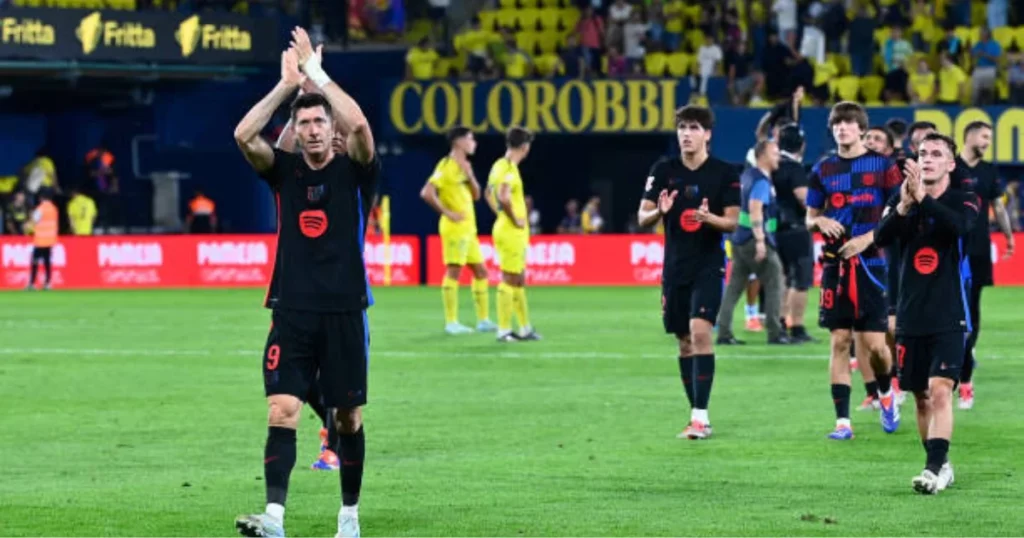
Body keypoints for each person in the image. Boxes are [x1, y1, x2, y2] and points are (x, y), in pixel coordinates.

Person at [232, 28, 379, 538]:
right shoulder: (286, 172)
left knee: (348, 420)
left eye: (321, 121)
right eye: (306, 122)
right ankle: (274, 517)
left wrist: (317, 77)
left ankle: (349, 517)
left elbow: (358, 123)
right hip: (291, 310)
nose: (315, 130)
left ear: (330, 127)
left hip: (344, 311)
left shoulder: (356, 172)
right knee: (283, 408)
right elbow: (243, 136)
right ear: (294, 129)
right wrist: (286, 87)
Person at [873, 133, 976, 494]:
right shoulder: (900, 199)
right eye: (922, 153)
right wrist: (903, 206)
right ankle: (941, 464)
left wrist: (922, 199)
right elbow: (881, 238)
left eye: (936, 154)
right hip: (909, 315)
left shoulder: (965, 199)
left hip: (950, 313)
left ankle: (932, 469)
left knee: (940, 390)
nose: (927, 159)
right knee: (920, 397)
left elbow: (959, 228)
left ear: (950, 163)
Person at [637, 105, 740, 440]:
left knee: (700, 332)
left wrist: (710, 219)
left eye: (694, 127)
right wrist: (659, 213)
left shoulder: (724, 173)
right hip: (674, 269)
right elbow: (642, 217)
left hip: (708, 265)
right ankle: (695, 413)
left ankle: (701, 417)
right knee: (683, 343)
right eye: (682, 127)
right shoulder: (662, 169)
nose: (686, 133)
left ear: (707, 134)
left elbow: (732, 221)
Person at [806, 102, 902, 440]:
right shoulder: (823, 169)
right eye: (837, 124)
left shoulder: (883, 166)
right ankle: (842, 422)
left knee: (875, 345)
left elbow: (900, 212)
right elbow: (809, 216)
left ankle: (887, 394)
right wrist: (818, 219)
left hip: (873, 264)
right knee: (839, 340)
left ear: (861, 129)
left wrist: (869, 238)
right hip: (835, 265)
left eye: (848, 123)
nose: (842, 129)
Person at [950, 121, 1015, 410]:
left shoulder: (988, 171)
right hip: (950, 248)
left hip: (977, 250)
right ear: (970, 135)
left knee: (972, 312)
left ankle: (965, 371)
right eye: (985, 136)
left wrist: (1009, 236)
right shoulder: (950, 166)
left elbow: (997, 206)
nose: (988, 141)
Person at [420, 127, 495, 335]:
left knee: (481, 272)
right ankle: (451, 322)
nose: (474, 142)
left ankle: (483, 320)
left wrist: (470, 174)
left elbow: (476, 195)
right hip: (454, 228)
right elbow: (426, 192)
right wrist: (447, 213)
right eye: (471, 138)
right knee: (454, 271)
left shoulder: (464, 167)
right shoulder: (446, 165)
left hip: (469, 229)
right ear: (458, 141)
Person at [716, 140, 790, 345]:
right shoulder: (761, 181)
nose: (778, 157)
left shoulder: (746, 177)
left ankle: (723, 332)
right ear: (762, 155)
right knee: (776, 281)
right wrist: (760, 240)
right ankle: (775, 333)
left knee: (734, 287)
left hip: (738, 239)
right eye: (775, 153)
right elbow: (755, 208)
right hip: (754, 239)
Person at [486, 127, 541, 343]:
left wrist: (499, 213)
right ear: (525, 147)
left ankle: (525, 328)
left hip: (510, 230)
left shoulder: (499, 166)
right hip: (510, 232)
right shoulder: (508, 168)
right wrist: (512, 217)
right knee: (509, 278)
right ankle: (503, 330)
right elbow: (502, 196)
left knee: (518, 279)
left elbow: (488, 193)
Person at [772, 123, 814, 343]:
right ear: (802, 145)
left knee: (782, 279)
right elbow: (804, 199)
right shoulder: (795, 169)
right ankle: (796, 327)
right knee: (801, 280)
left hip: (775, 229)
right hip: (796, 230)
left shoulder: (772, 165)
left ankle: (778, 325)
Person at [26, 189, 58, 291]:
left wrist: (27, 225)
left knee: (35, 261)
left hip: (40, 240)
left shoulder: (40, 209)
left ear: (41, 198)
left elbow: (33, 221)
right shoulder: (54, 209)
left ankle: (31, 283)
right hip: (50, 240)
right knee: (47, 262)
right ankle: (48, 283)